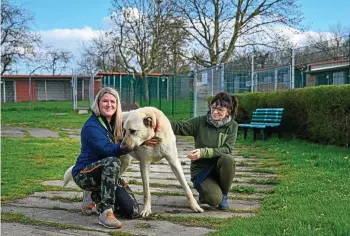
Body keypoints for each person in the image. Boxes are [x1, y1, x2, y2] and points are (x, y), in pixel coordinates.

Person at [71, 87, 137, 229]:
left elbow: (134, 132)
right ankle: (105, 212)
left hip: (105, 173)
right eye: (105, 101)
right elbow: (107, 150)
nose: (109, 104)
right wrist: (131, 145)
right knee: (113, 162)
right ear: (98, 103)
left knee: (132, 210)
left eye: (113, 101)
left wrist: (142, 140)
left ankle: (96, 195)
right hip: (84, 173)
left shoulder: (116, 123)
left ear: (117, 104)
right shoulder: (92, 126)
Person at [170, 92, 239, 210]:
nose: (215, 112)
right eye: (213, 108)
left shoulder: (232, 126)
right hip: (201, 169)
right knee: (213, 200)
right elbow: (179, 127)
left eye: (220, 110)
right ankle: (206, 193)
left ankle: (224, 195)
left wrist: (203, 152)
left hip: (218, 167)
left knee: (228, 159)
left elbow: (227, 149)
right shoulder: (200, 122)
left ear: (229, 111)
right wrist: (158, 120)